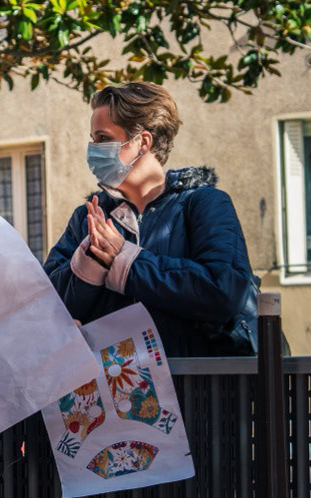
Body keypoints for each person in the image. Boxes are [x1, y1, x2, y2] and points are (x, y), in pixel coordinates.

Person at [44, 82, 254, 357]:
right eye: (92, 139)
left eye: (103, 138)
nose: (93, 149)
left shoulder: (204, 204)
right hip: (116, 393)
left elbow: (223, 291)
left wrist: (126, 262)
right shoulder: (87, 217)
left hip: (195, 392)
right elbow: (46, 310)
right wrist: (88, 267)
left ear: (143, 142)